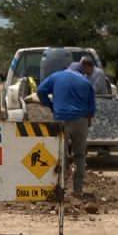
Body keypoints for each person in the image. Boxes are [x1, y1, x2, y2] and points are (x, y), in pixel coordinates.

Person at [36, 52, 96, 196]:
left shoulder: (56, 76)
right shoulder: (86, 83)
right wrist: (87, 121)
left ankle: (60, 188)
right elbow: (92, 109)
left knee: (60, 155)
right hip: (80, 120)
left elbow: (40, 90)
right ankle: (77, 190)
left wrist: (50, 105)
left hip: (61, 120)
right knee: (80, 155)